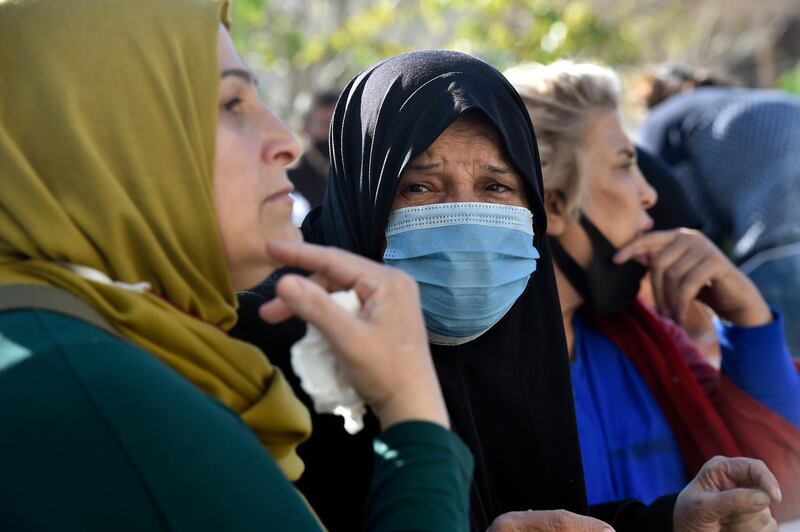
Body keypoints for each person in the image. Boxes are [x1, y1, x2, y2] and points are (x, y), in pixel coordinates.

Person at [235, 49, 785, 532]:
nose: (464, 217)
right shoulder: (275, 346)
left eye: (497, 186)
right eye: (420, 186)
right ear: (364, 196)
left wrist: (669, 522)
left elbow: (543, 516)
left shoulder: (522, 333)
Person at [0, 1, 474, 530]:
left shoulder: (117, 345)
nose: (286, 144)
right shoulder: (100, 393)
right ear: (95, 138)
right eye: (231, 104)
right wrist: (413, 412)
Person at [505, 60, 800, 522]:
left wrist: (748, 318)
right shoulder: (477, 372)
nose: (650, 194)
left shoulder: (646, 339)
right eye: (626, 165)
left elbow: (783, 486)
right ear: (554, 202)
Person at [638, 66, 800, 358]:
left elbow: (675, 218)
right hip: (780, 239)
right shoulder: (762, 99)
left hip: (777, 252)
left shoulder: (662, 120)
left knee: (778, 385)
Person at [288, 90, 339, 208]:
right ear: (303, 128)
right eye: (325, 125)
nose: (334, 134)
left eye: (339, 126)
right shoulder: (290, 182)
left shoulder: (360, 176)